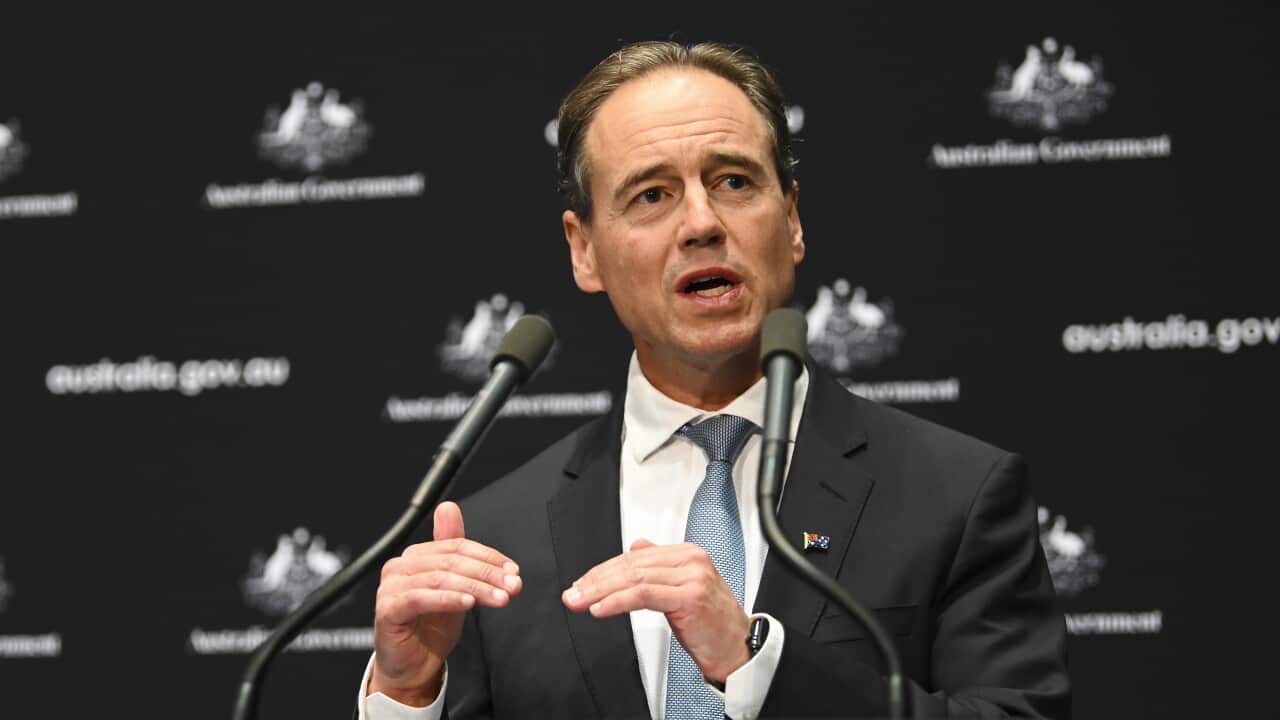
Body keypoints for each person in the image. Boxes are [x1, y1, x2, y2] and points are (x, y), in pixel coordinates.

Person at [357, 40, 1070, 719]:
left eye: (733, 181)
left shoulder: (956, 495)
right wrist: (408, 692)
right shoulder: (496, 540)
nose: (701, 222)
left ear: (790, 219)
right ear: (584, 251)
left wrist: (755, 662)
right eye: (651, 195)